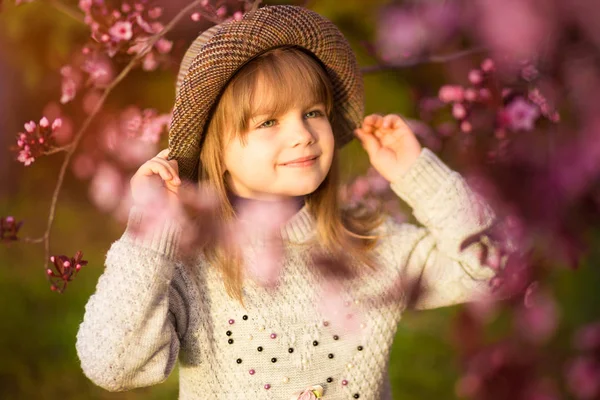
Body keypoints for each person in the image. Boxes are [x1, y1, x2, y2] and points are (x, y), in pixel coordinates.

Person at [75, 5, 504, 399]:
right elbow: (113, 365)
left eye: (313, 112)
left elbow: (493, 269)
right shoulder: (190, 264)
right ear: (217, 150)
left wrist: (418, 173)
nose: (302, 133)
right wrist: (152, 229)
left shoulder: (371, 242)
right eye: (268, 121)